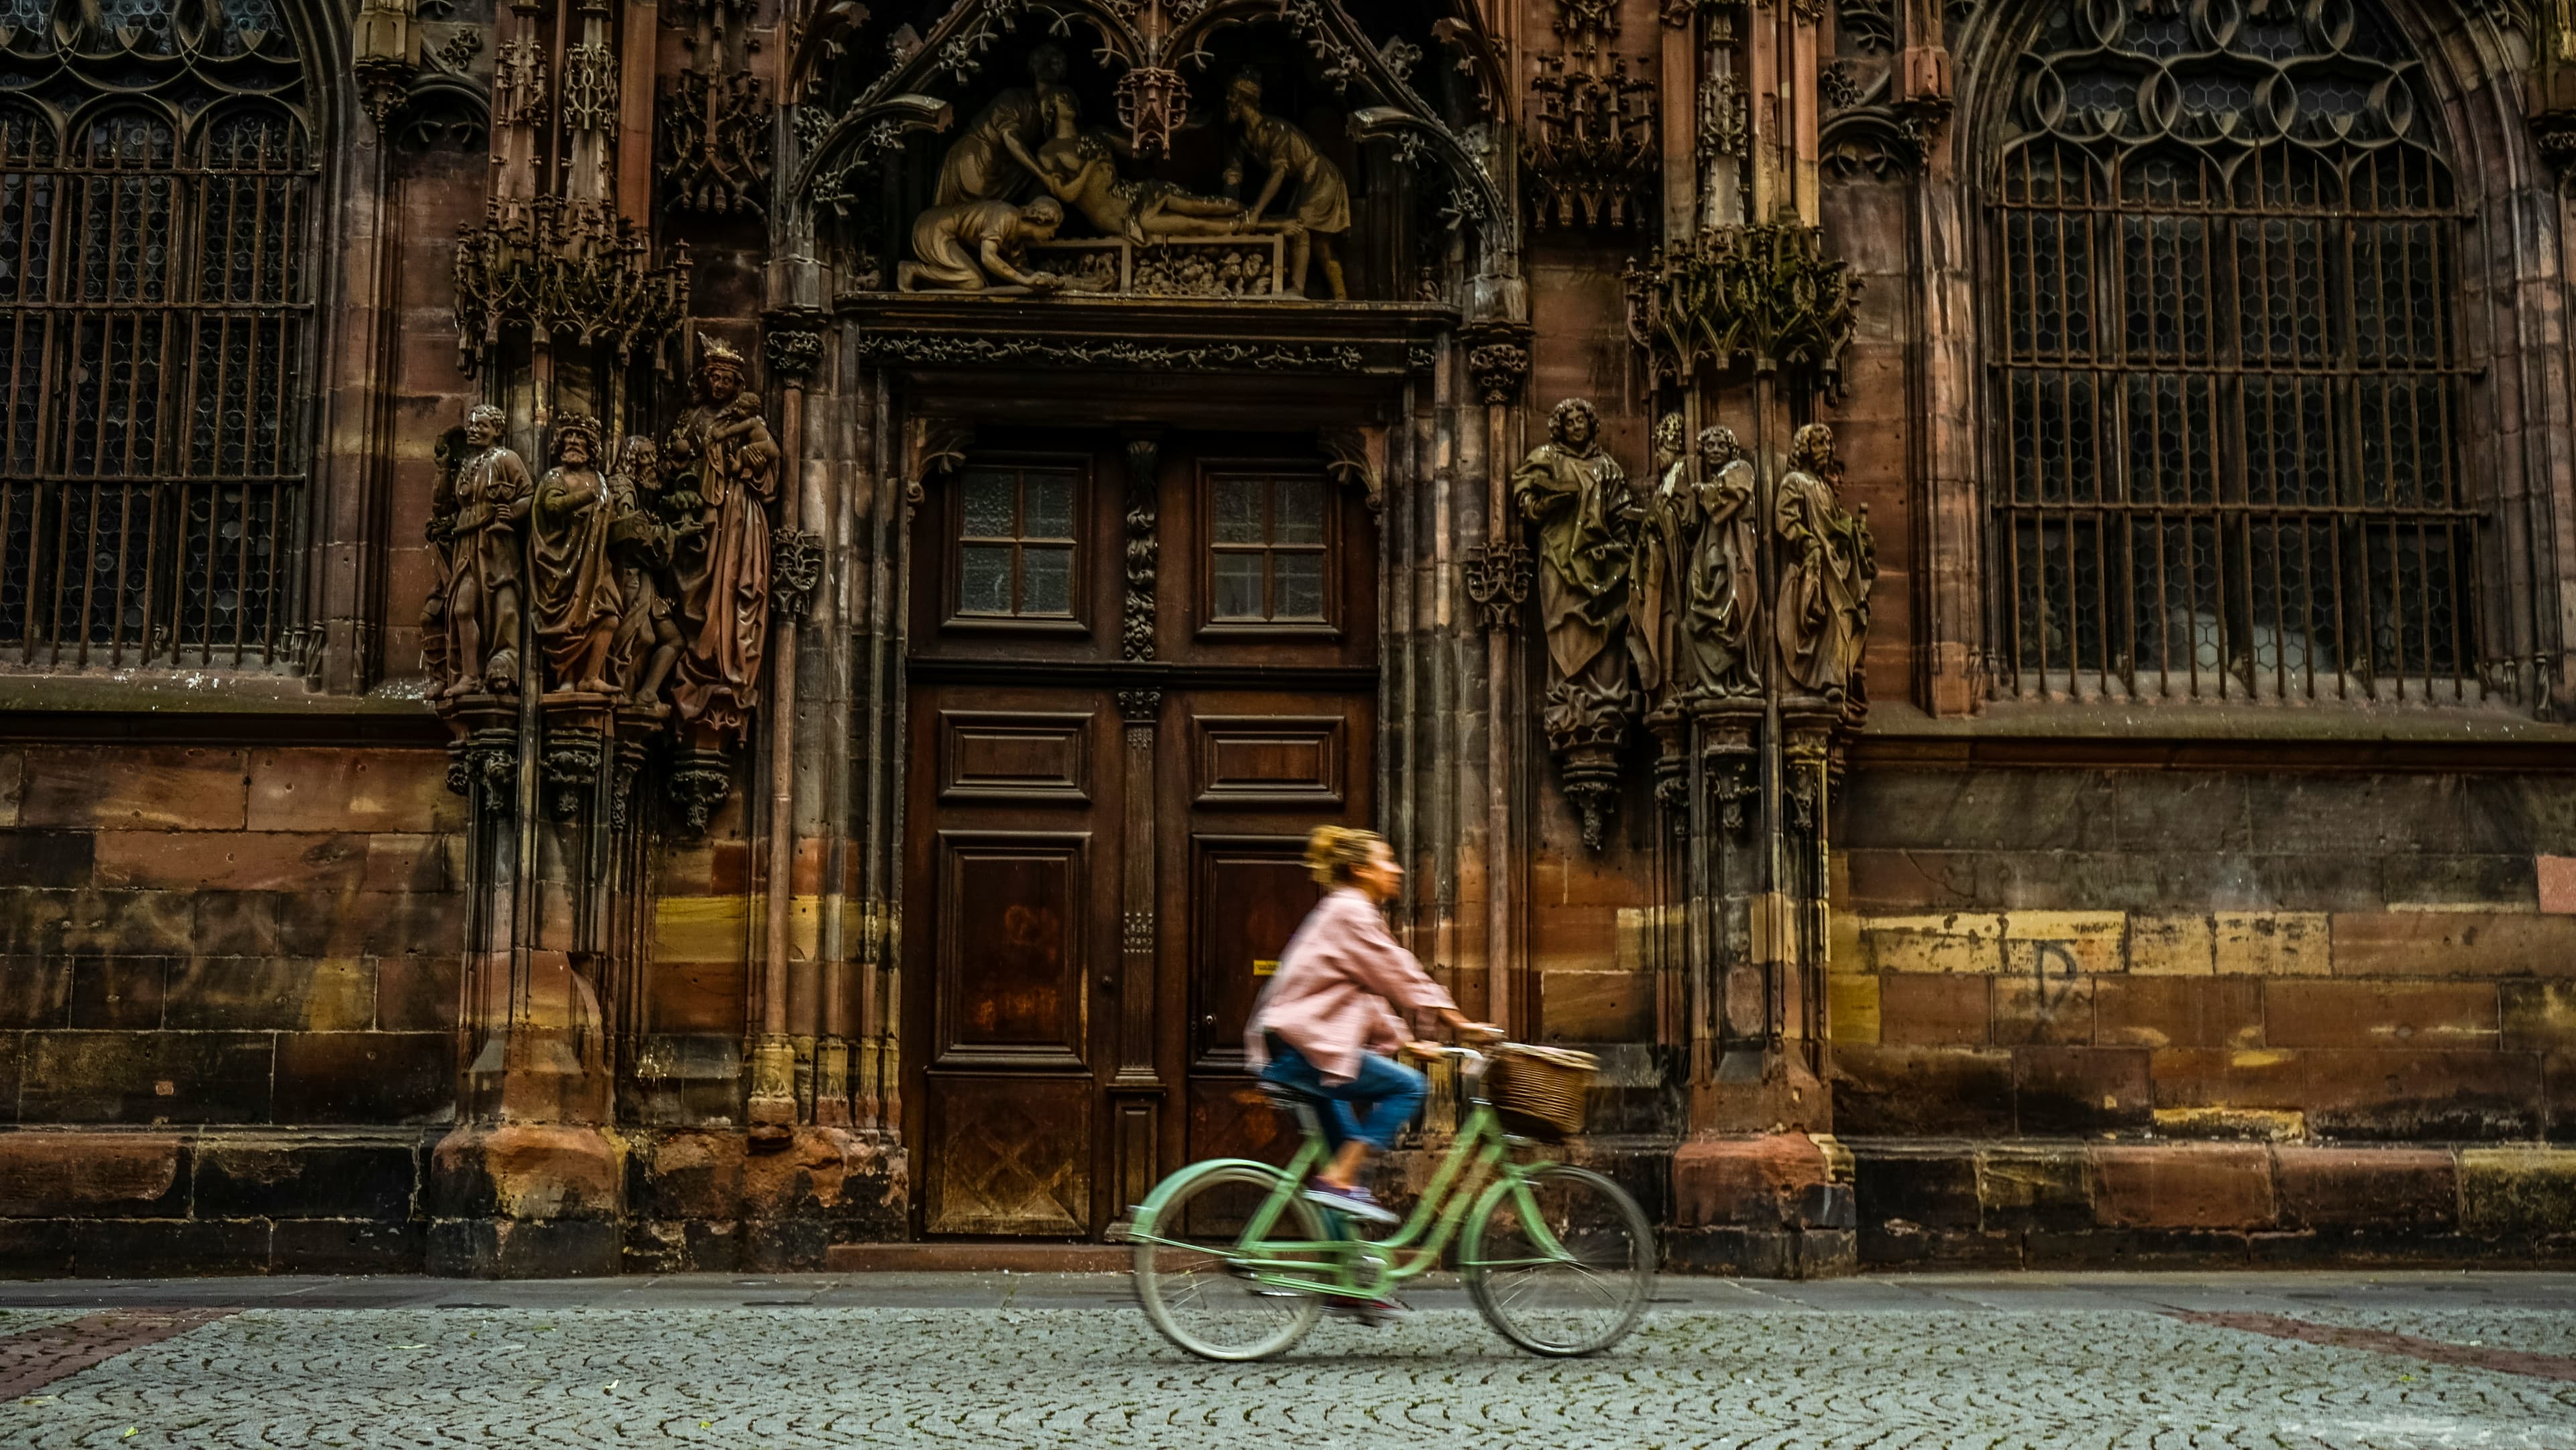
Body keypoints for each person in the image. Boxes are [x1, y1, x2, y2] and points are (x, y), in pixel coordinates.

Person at [1246, 825, 1495, 1228]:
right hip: (1301, 1050)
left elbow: (1367, 995)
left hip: (1295, 1047)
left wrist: (1409, 1044)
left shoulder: (1346, 912)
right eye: (1388, 861)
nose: (1396, 870)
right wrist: (1460, 1023)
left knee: (1343, 1153)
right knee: (1410, 1087)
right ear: (1361, 869)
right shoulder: (1351, 910)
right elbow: (1400, 974)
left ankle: (1344, 1288)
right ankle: (1340, 1180)